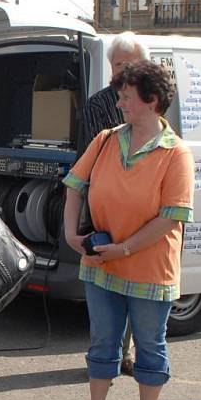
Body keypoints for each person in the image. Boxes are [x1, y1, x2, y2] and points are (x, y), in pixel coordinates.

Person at [63, 60, 194, 400]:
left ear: (152, 101)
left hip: (150, 270)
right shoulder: (106, 139)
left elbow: (170, 219)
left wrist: (123, 248)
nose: (118, 104)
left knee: (150, 347)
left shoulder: (176, 154)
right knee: (103, 342)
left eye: (126, 97)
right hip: (101, 265)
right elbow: (74, 186)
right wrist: (72, 235)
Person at [79, 32, 149, 377]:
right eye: (115, 65)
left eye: (125, 65)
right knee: (108, 279)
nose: (118, 71)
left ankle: (129, 351)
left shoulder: (154, 102)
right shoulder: (98, 105)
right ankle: (107, 354)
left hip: (144, 208)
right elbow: (93, 161)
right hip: (108, 206)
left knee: (140, 280)